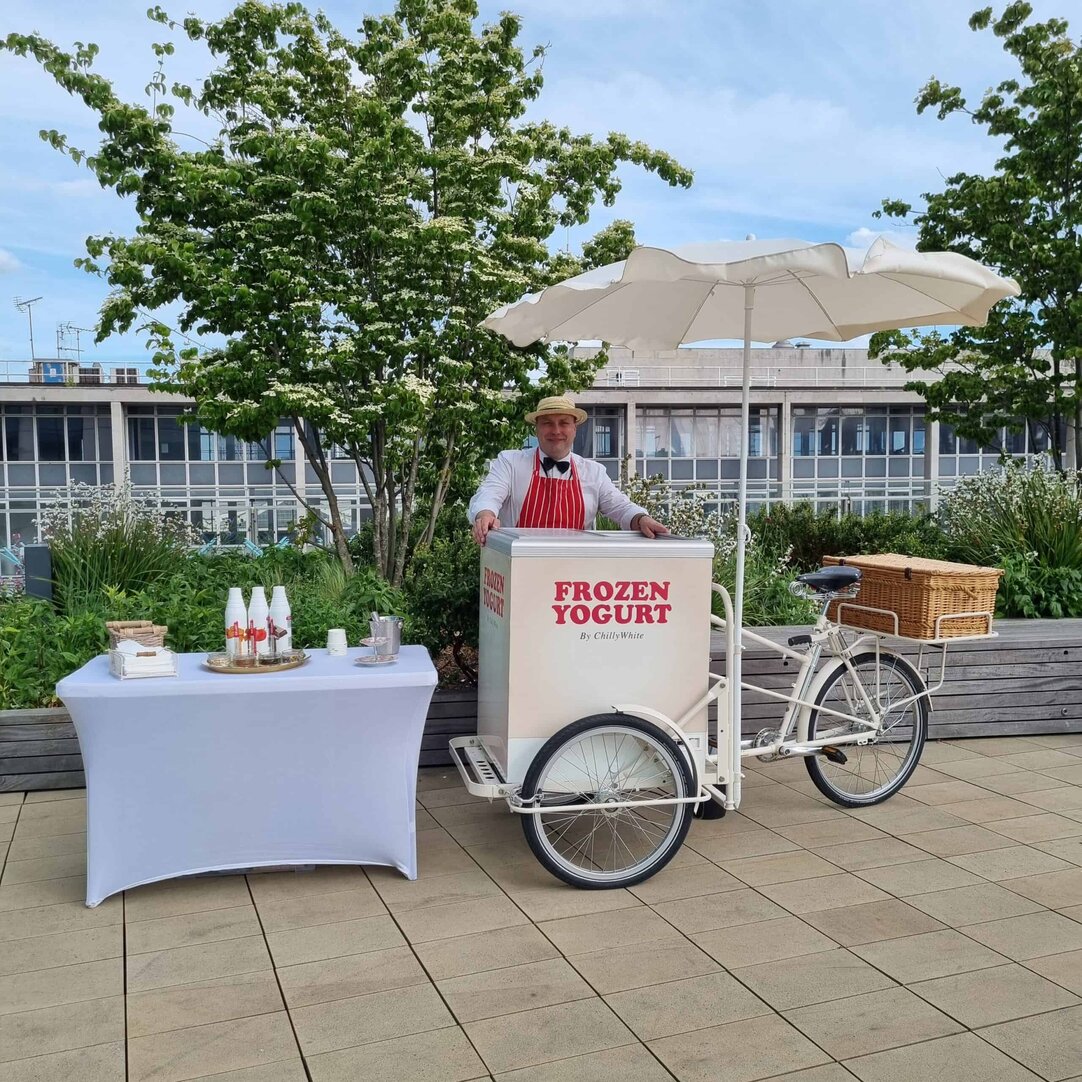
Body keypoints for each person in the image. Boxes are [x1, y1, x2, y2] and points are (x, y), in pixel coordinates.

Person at [470, 396, 668, 545]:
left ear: (575, 428)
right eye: (547, 423)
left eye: (564, 423)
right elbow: (489, 494)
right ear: (536, 429)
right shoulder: (510, 462)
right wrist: (485, 515)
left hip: (573, 575)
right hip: (520, 569)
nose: (556, 431)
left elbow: (621, 507)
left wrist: (641, 519)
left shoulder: (594, 472)